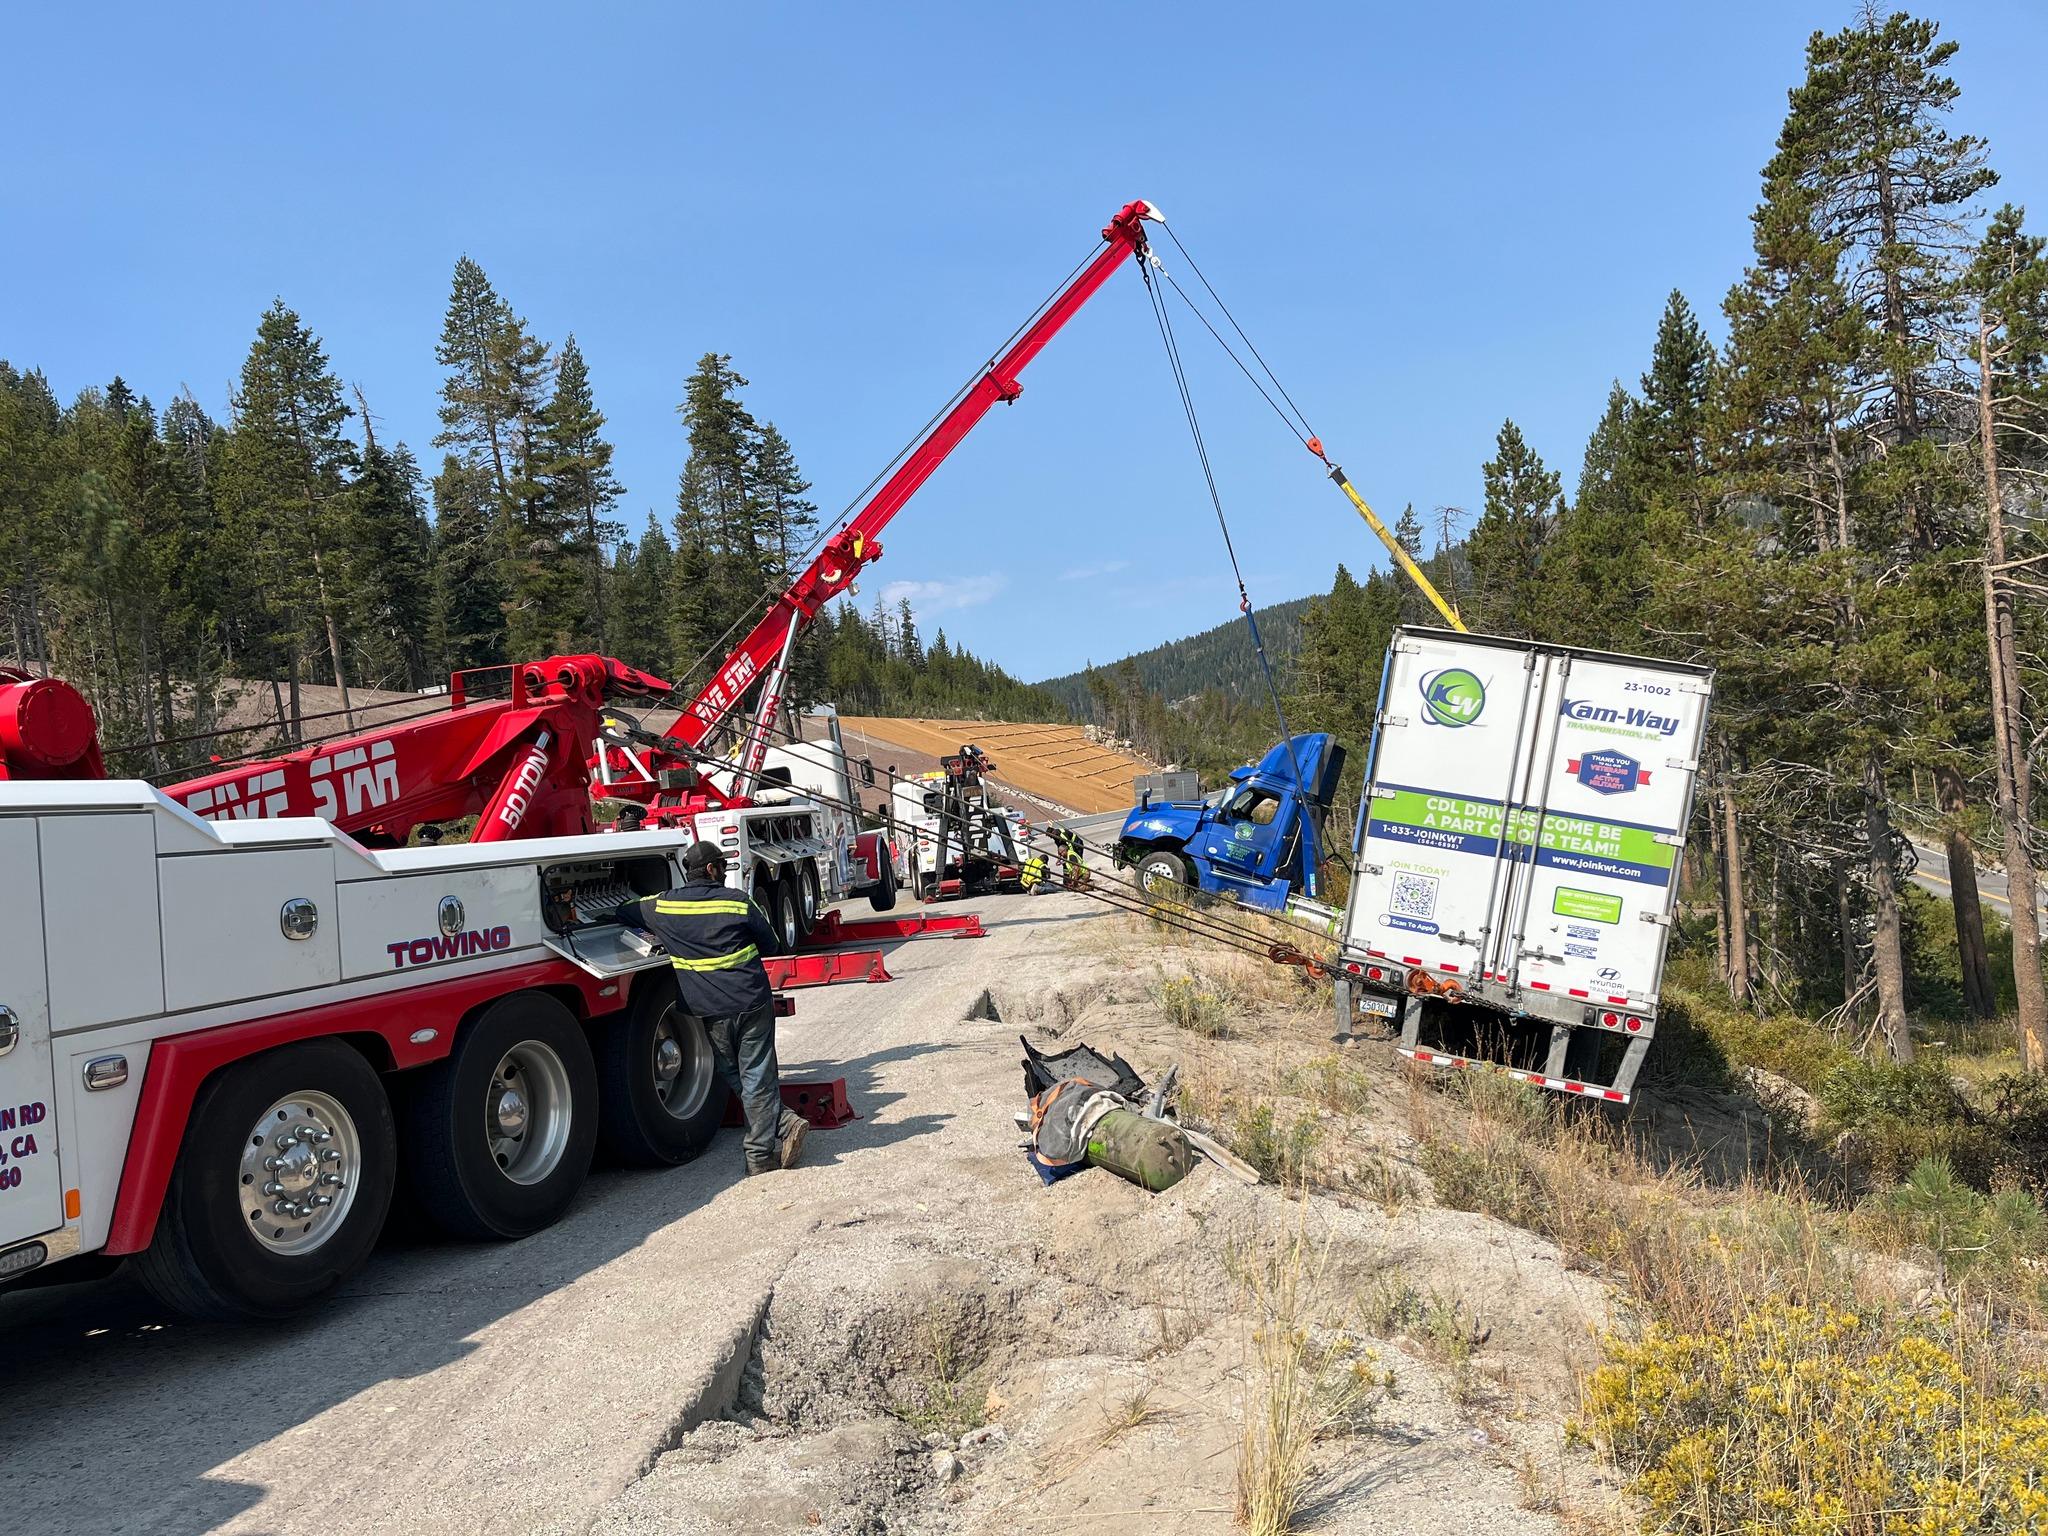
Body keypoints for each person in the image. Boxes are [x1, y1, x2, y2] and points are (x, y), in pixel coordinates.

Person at [605, 840, 806, 1175]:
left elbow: (626, 908)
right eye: (723, 867)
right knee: (756, 1075)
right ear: (712, 869)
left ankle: (776, 1132)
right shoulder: (737, 902)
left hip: (710, 1010)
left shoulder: (663, 907)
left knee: (736, 1075)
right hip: (751, 1002)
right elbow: (771, 944)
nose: (725, 873)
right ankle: (768, 1143)